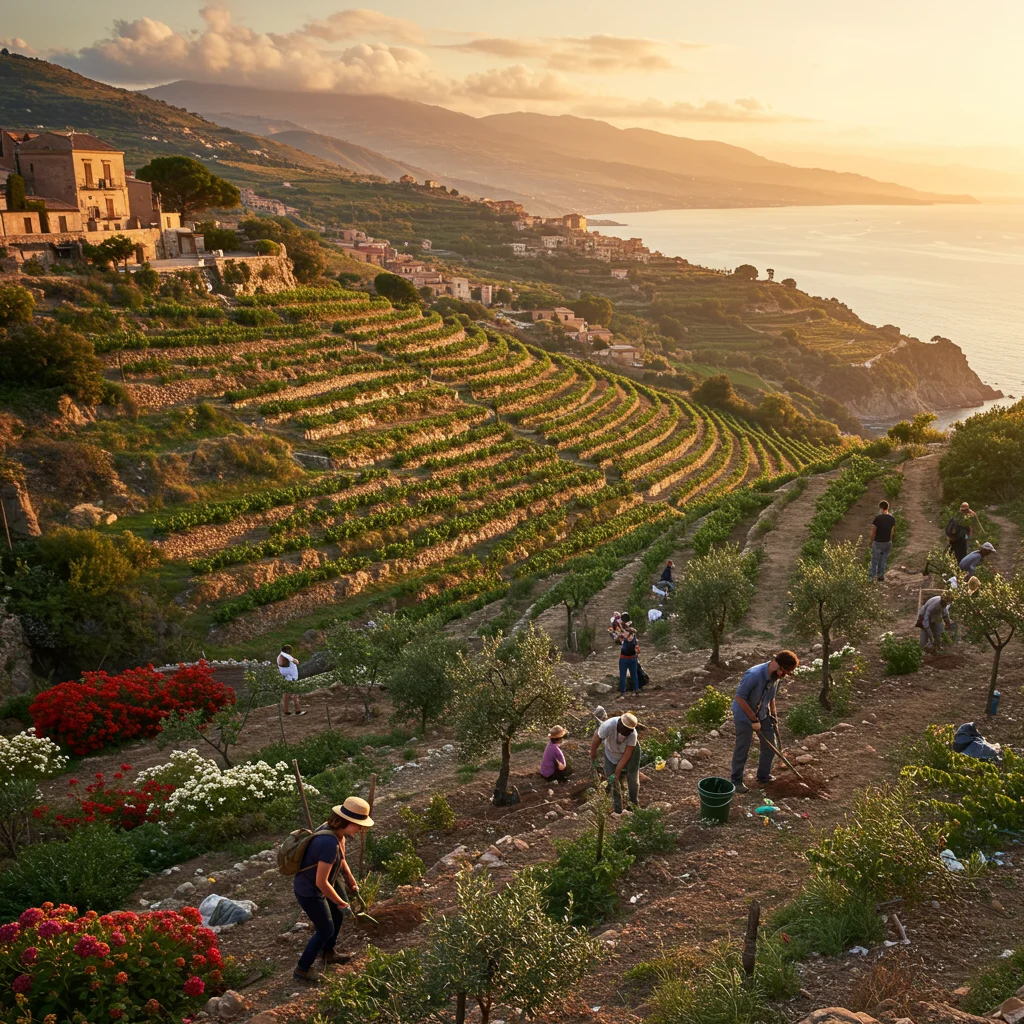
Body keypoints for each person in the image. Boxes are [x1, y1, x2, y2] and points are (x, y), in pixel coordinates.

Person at [292, 797, 374, 982]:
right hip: (309, 891)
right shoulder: (328, 843)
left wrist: (351, 882)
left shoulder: (336, 834)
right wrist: (341, 903)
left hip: (327, 881)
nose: (360, 830)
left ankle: (328, 953)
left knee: (337, 916)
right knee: (325, 928)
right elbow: (321, 883)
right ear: (348, 822)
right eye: (359, 826)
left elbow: (342, 861)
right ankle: (302, 969)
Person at [730, 651, 800, 794]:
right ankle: (736, 781)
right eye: (783, 672)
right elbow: (740, 698)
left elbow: (771, 697)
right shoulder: (754, 674)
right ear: (777, 664)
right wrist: (753, 720)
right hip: (744, 714)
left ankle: (763, 776)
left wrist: (773, 714)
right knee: (743, 747)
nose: (783, 676)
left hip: (763, 712)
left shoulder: (776, 677)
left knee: (770, 745)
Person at [589, 711, 640, 814]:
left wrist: (617, 772)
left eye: (628, 731)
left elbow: (627, 755)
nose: (625, 732)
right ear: (619, 724)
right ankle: (618, 810)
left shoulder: (632, 734)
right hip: (611, 753)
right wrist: (593, 755)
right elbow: (596, 739)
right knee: (612, 780)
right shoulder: (608, 725)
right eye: (624, 729)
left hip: (630, 753)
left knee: (633, 778)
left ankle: (633, 804)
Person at [868, 500, 897, 582]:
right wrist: (890, 540)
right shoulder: (892, 518)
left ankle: (871, 578)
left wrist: (870, 542)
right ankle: (881, 576)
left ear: (881, 508)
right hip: (887, 543)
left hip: (878, 542)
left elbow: (873, 531)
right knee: (883, 560)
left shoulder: (878, 518)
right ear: (887, 508)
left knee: (874, 560)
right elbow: (892, 531)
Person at [278, 645, 305, 716]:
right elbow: (296, 662)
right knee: (294, 695)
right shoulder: (287, 656)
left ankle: (286, 711)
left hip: (287, 679)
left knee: (286, 695)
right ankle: (298, 711)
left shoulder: (280, 656)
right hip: (291, 679)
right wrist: (295, 659)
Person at [617, 615, 639, 697]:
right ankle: (636, 689)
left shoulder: (622, 632)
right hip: (633, 657)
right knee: (634, 674)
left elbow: (618, 640)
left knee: (623, 675)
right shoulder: (633, 631)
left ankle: (622, 691)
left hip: (624, 658)